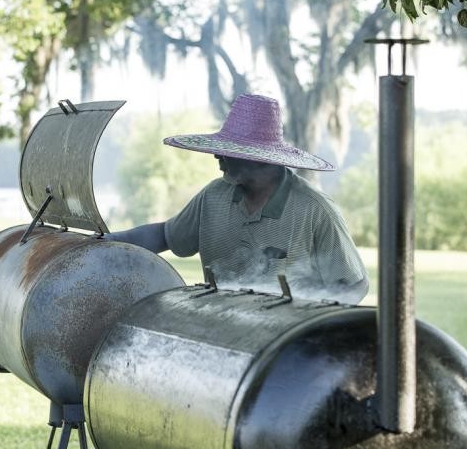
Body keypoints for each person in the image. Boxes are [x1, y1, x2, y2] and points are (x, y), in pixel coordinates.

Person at [106, 93, 369, 305]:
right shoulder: (214, 196)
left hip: (282, 341)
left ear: (258, 157)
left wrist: (308, 327)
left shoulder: (314, 209)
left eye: (227, 152)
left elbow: (354, 286)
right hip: (223, 329)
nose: (217, 157)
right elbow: (165, 235)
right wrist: (105, 244)